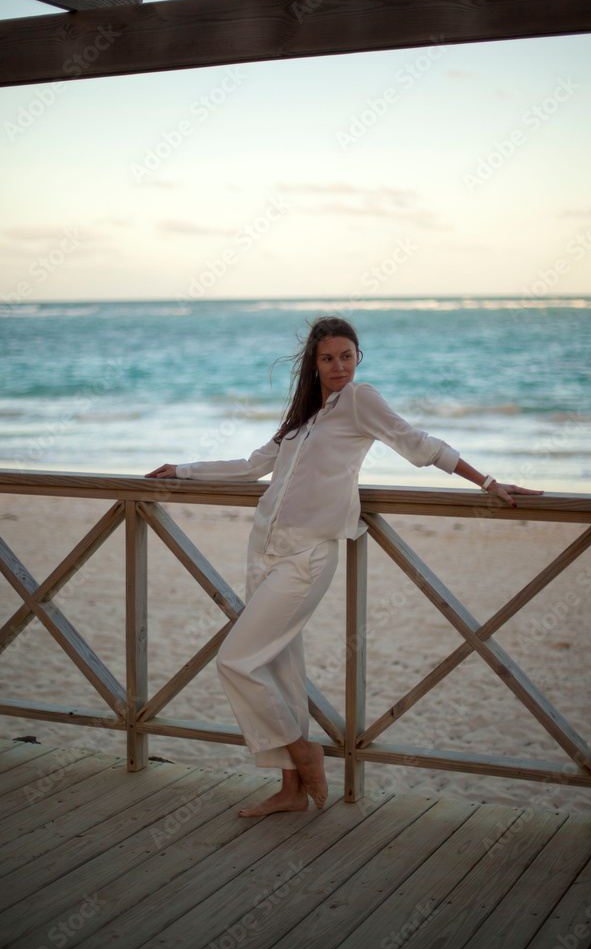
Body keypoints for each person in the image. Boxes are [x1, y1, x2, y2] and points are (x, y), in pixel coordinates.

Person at [146, 316, 542, 817]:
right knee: (275, 668)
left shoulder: (360, 399)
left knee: (235, 661)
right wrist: (182, 469)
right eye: (328, 358)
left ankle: (301, 752)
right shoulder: (306, 416)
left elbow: (417, 443)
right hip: (263, 548)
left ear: (359, 358)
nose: (339, 367)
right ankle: (290, 792)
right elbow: (252, 465)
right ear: (314, 363)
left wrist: (489, 483)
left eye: (347, 356)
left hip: (308, 555)